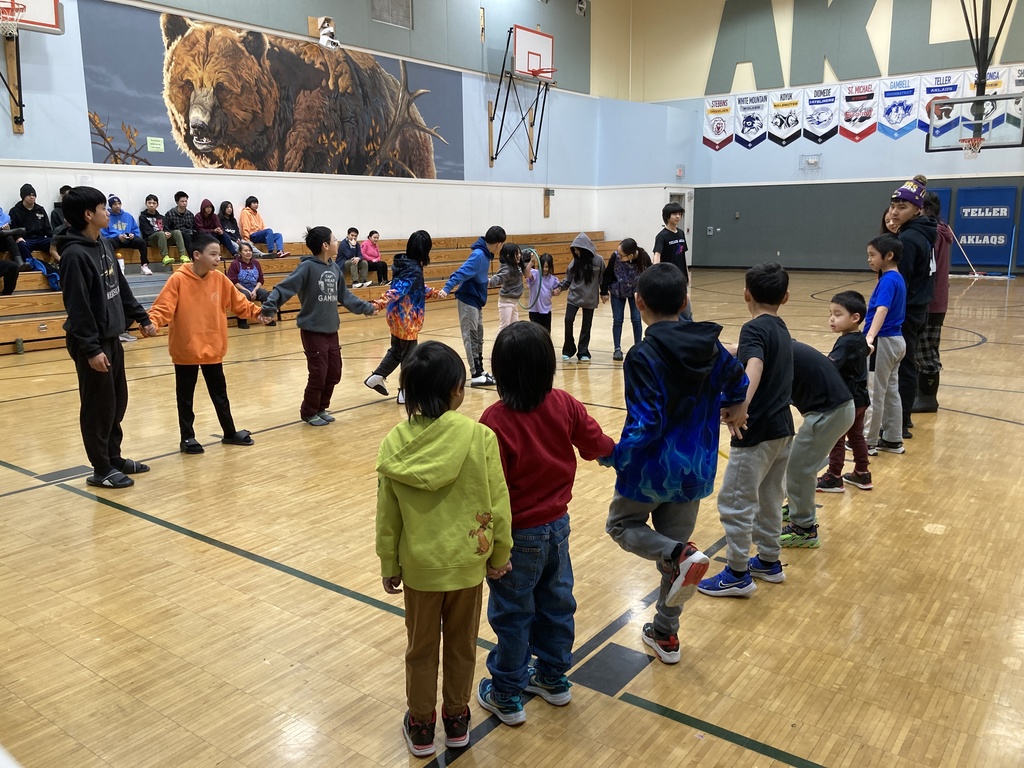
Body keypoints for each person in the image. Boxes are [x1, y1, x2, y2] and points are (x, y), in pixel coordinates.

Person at [375, 340, 512, 758]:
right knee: (461, 645)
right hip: (467, 566)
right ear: (457, 389)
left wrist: (389, 562)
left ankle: (421, 726)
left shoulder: (394, 443)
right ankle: (456, 719)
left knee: (420, 649)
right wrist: (500, 554)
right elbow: (498, 504)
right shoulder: (480, 436)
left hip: (420, 570)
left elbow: (387, 515)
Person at [605, 263, 747, 661]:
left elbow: (647, 421)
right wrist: (734, 406)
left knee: (623, 527)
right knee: (677, 554)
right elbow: (739, 382)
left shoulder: (642, 354)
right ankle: (666, 635)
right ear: (685, 302)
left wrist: (616, 456)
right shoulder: (712, 347)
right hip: (694, 469)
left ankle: (677, 555)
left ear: (638, 303)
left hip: (649, 470)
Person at [477, 321, 615, 722]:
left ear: (500, 372)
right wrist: (616, 454)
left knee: (513, 613)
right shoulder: (564, 404)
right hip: (557, 530)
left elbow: (490, 493)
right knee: (557, 604)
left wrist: (491, 549)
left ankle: (506, 692)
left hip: (517, 536)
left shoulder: (494, 420)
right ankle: (553, 678)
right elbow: (596, 443)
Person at [698, 262, 794, 598]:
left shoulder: (753, 328)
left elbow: (755, 364)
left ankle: (737, 573)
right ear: (785, 297)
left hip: (757, 431)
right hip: (783, 429)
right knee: (770, 498)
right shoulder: (780, 327)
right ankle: (768, 560)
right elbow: (759, 359)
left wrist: (742, 404)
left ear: (746, 294)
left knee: (735, 502)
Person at [56, 186, 158, 489]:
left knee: (116, 402)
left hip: (111, 337)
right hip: (92, 343)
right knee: (97, 406)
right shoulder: (74, 256)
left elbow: (120, 287)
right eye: (103, 208)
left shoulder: (103, 244)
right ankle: (101, 468)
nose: (107, 212)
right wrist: (91, 349)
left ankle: (114, 457)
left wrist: (141, 317)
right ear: (89, 215)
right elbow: (77, 307)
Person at [146, 233, 267, 454]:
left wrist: (258, 314)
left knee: (220, 394)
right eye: (213, 254)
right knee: (185, 397)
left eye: (219, 254)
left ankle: (229, 432)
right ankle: (187, 437)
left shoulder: (219, 279)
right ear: (196, 255)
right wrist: (152, 323)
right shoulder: (178, 279)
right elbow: (162, 307)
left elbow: (239, 303)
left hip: (213, 348)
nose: (218, 258)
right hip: (186, 350)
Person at [260, 226, 382, 426]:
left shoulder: (334, 268)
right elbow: (284, 288)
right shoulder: (306, 268)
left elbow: (345, 296)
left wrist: (366, 308)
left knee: (334, 372)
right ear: (325, 245)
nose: (337, 242)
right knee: (319, 374)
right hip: (312, 331)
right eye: (334, 239)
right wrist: (269, 308)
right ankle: (308, 411)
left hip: (331, 330)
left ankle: (321, 407)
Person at [777, 341, 856, 548]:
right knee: (799, 464)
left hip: (829, 413)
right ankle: (797, 507)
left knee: (800, 468)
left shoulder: (776, 355)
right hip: (836, 410)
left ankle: (804, 529)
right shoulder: (784, 348)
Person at [365, 230, 439, 404]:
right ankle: (405, 392)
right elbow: (398, 290)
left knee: (397, 350)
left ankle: (377, 377)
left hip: (396, 316)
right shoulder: (414, 269)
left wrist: (432, 292)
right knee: (410, 356)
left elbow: (414, 287)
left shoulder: (404, 264)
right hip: (407, 319)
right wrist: (379, 303)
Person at [887, 179, 936, 438]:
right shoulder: (922, 232)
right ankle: (903, 416)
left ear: (917, 209)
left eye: (902, 207)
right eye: (893, 205)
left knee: (902, 366)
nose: (895, 212)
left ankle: (901, 422)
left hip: (907, 311)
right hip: (919, 308)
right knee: (906, 364)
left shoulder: (909, 238)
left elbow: (899, 283)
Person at [439, 225, 505, 386]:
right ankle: (475, 373)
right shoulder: (479, 255)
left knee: (478, 336)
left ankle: (480, 369)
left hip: (476, 301)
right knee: (471, 336)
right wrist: (446, 288)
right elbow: (460, 273)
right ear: (498, 244)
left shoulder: (485, 255)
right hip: (468, 301)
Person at [820, 291, 872, 492]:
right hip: (861, 398)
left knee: (837, 438)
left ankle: (834, 476)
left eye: (838, 314)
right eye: (830, 314)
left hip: (847, 400)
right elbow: (868, 349)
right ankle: (862, 473)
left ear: (855, 317)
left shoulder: (845, 342)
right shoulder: (859, 338)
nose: (832, 319)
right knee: (856, 435)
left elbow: (830, 366)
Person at [863, 233, 907, 456]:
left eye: (872, 255)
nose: (869, 259)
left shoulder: (888, 280)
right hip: (896, 341)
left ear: (888, 255)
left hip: (882, 342)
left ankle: (867, 441)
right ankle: (892, 439)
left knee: (874, 392)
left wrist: (870, 337)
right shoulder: (897, 278)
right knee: (890, 392)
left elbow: (882, 309)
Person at [913, 190, 951, 413]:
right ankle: (920, 394)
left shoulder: (932, 234)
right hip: (936, 299)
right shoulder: (940, 230)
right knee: (922, 349)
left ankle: (928, 398)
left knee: (926, 352)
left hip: (930, 301)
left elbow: (926, 267)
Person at [555, 233, 605, 362]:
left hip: (590, 299)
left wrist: (604, 292)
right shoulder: (575, 262)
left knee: (586, 326)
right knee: (568, 320)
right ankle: (568, 349)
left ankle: (583, 351)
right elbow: (568, 279)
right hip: (574, 297)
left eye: (578, 250)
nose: (576, 252)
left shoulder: (599, 261)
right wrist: (559, 288)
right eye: (575, 250)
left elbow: (602, 279)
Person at [600, 238, 651, 361]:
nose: (619, 256)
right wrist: (603, 292)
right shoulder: (615, 257)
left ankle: (638, 347)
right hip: (618, 291)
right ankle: (617, 349)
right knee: (617, 320)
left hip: (635, 292)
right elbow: (607, 274)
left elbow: (650, 273)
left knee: (636, 319)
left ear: (630, 256)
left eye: (621, 255)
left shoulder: (643, 256)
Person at [10, 183, 59, 289]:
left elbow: (47, 228)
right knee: (21, 245)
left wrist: (53, 238)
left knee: (54, 242)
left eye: (33, 195)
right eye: (29, 195)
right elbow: (13, 228)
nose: (32, 197)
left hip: (41, 238)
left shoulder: (40, 209)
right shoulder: (15, 211)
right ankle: (30, 264)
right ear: (23, 196)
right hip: (26, 239)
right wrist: (18, 237)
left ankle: (57, 262)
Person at [652, 201, 692, 320]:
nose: (678, 216)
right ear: (667, 216)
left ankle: (687, 326)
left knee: (686, 308)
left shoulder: (681, 233)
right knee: (673, 307)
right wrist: (655, 273)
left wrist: (687, 274)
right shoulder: (662, 236)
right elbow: (657, 255)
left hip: (681, 276)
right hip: (669, 277)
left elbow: (682, 256)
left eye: (680, 214)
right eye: (675, 214)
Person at [101, 195, 151, 275]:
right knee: (108, 243)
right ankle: (113, 267)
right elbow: (104, 234)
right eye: (115, 204)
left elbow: (135, 229)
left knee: (141, 242)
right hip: (116, 240)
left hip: (128, 239)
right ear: (110, 206)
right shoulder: (107, 217)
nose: (117, 206)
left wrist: (132, 235)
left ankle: (144, 265)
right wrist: (117, 236)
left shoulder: (128, 216)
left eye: (119, 203)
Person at [226, 241, 271, 329]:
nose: (248, 253)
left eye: (250, 250)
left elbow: (260, 280)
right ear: (240, 252)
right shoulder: (235, 264)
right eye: (245, 251)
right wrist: (247, 290)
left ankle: (267, 318)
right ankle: (242, 321)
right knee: (245, 295)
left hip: (254, 288)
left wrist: (255, 290)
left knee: (265, 294)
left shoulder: (256, 263)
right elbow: (233, 281)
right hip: (239, 289)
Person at [139, 194, 188, 267]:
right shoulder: (142, 217)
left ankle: (183, 255)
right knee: (161, 233)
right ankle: (165, 257)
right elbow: (147, 231)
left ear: (157, 205)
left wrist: (167, 233)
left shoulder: (162, 217)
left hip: (163, 238)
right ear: (146, 204)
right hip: (151, 240)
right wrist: (162, 233)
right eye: (149, 203)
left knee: (177, 232)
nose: (151, 205)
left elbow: (166, 228)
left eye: (154, 203)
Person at [488, 242, 527, 332]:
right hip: (506, 302)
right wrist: (487, 281)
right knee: (504, 327)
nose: (519, 256)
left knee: (515, 327)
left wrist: (530, 254)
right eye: (516, 254)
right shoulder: (507, 269)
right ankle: (499, 341)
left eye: (519, 253)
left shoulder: (516, 266)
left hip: (514, 301)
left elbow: (524, 254)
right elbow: (498, 279)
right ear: (509, 256)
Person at [526, 252, 559, 332]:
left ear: (550, 266)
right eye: (543, 266)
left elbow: (557, 290)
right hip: (534, 310)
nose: (544, 269)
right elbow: (526, 273)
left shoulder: (553, 279)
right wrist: (531, 262)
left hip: (546, 310)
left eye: (547, 267)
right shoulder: (535, 274)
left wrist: (556, 291)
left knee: (546, 332)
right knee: (536, 333)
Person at [164, 191, 196, 258]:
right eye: (182, 201)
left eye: (186, 201)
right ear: (177, 202)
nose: (184, 203)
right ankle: (191, 257)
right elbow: (167, 228)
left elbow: (193, 227)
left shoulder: (190, 214)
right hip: (176, 236)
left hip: (189, 234)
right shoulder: (170, 213)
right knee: (186, 235)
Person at [0, 203, 28, 269]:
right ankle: (13, 232)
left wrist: (7, 229)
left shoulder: (4, 216)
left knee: (9, 237)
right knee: (8, 234)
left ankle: (19, 263)